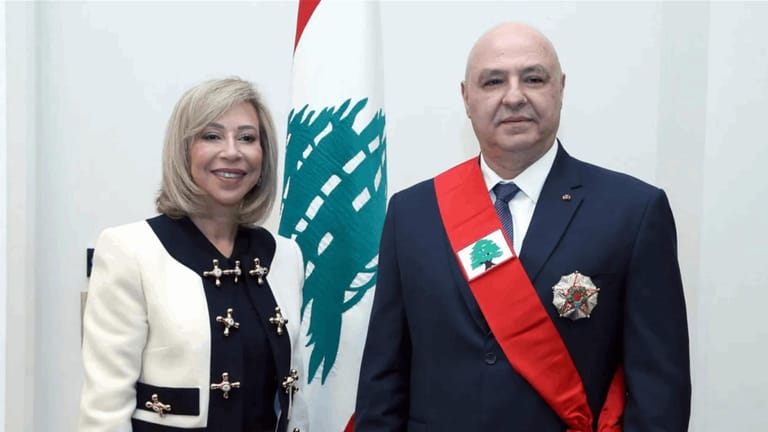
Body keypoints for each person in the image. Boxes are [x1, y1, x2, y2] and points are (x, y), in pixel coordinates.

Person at [354, 22, 691, 431]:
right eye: (493, 81)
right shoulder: (412, 214)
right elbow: (383, 383)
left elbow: (659, 392)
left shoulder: (633, 212)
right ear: (466, 98)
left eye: (533, 78)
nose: (514, 97)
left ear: (560, 88)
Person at [79, 78, 309, 432]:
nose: (232, 151)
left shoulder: (285, 255)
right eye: (212, 136)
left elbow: (295, 401)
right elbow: (104, 412)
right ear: (183, 150)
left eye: (247, 138)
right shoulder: (130, 250)